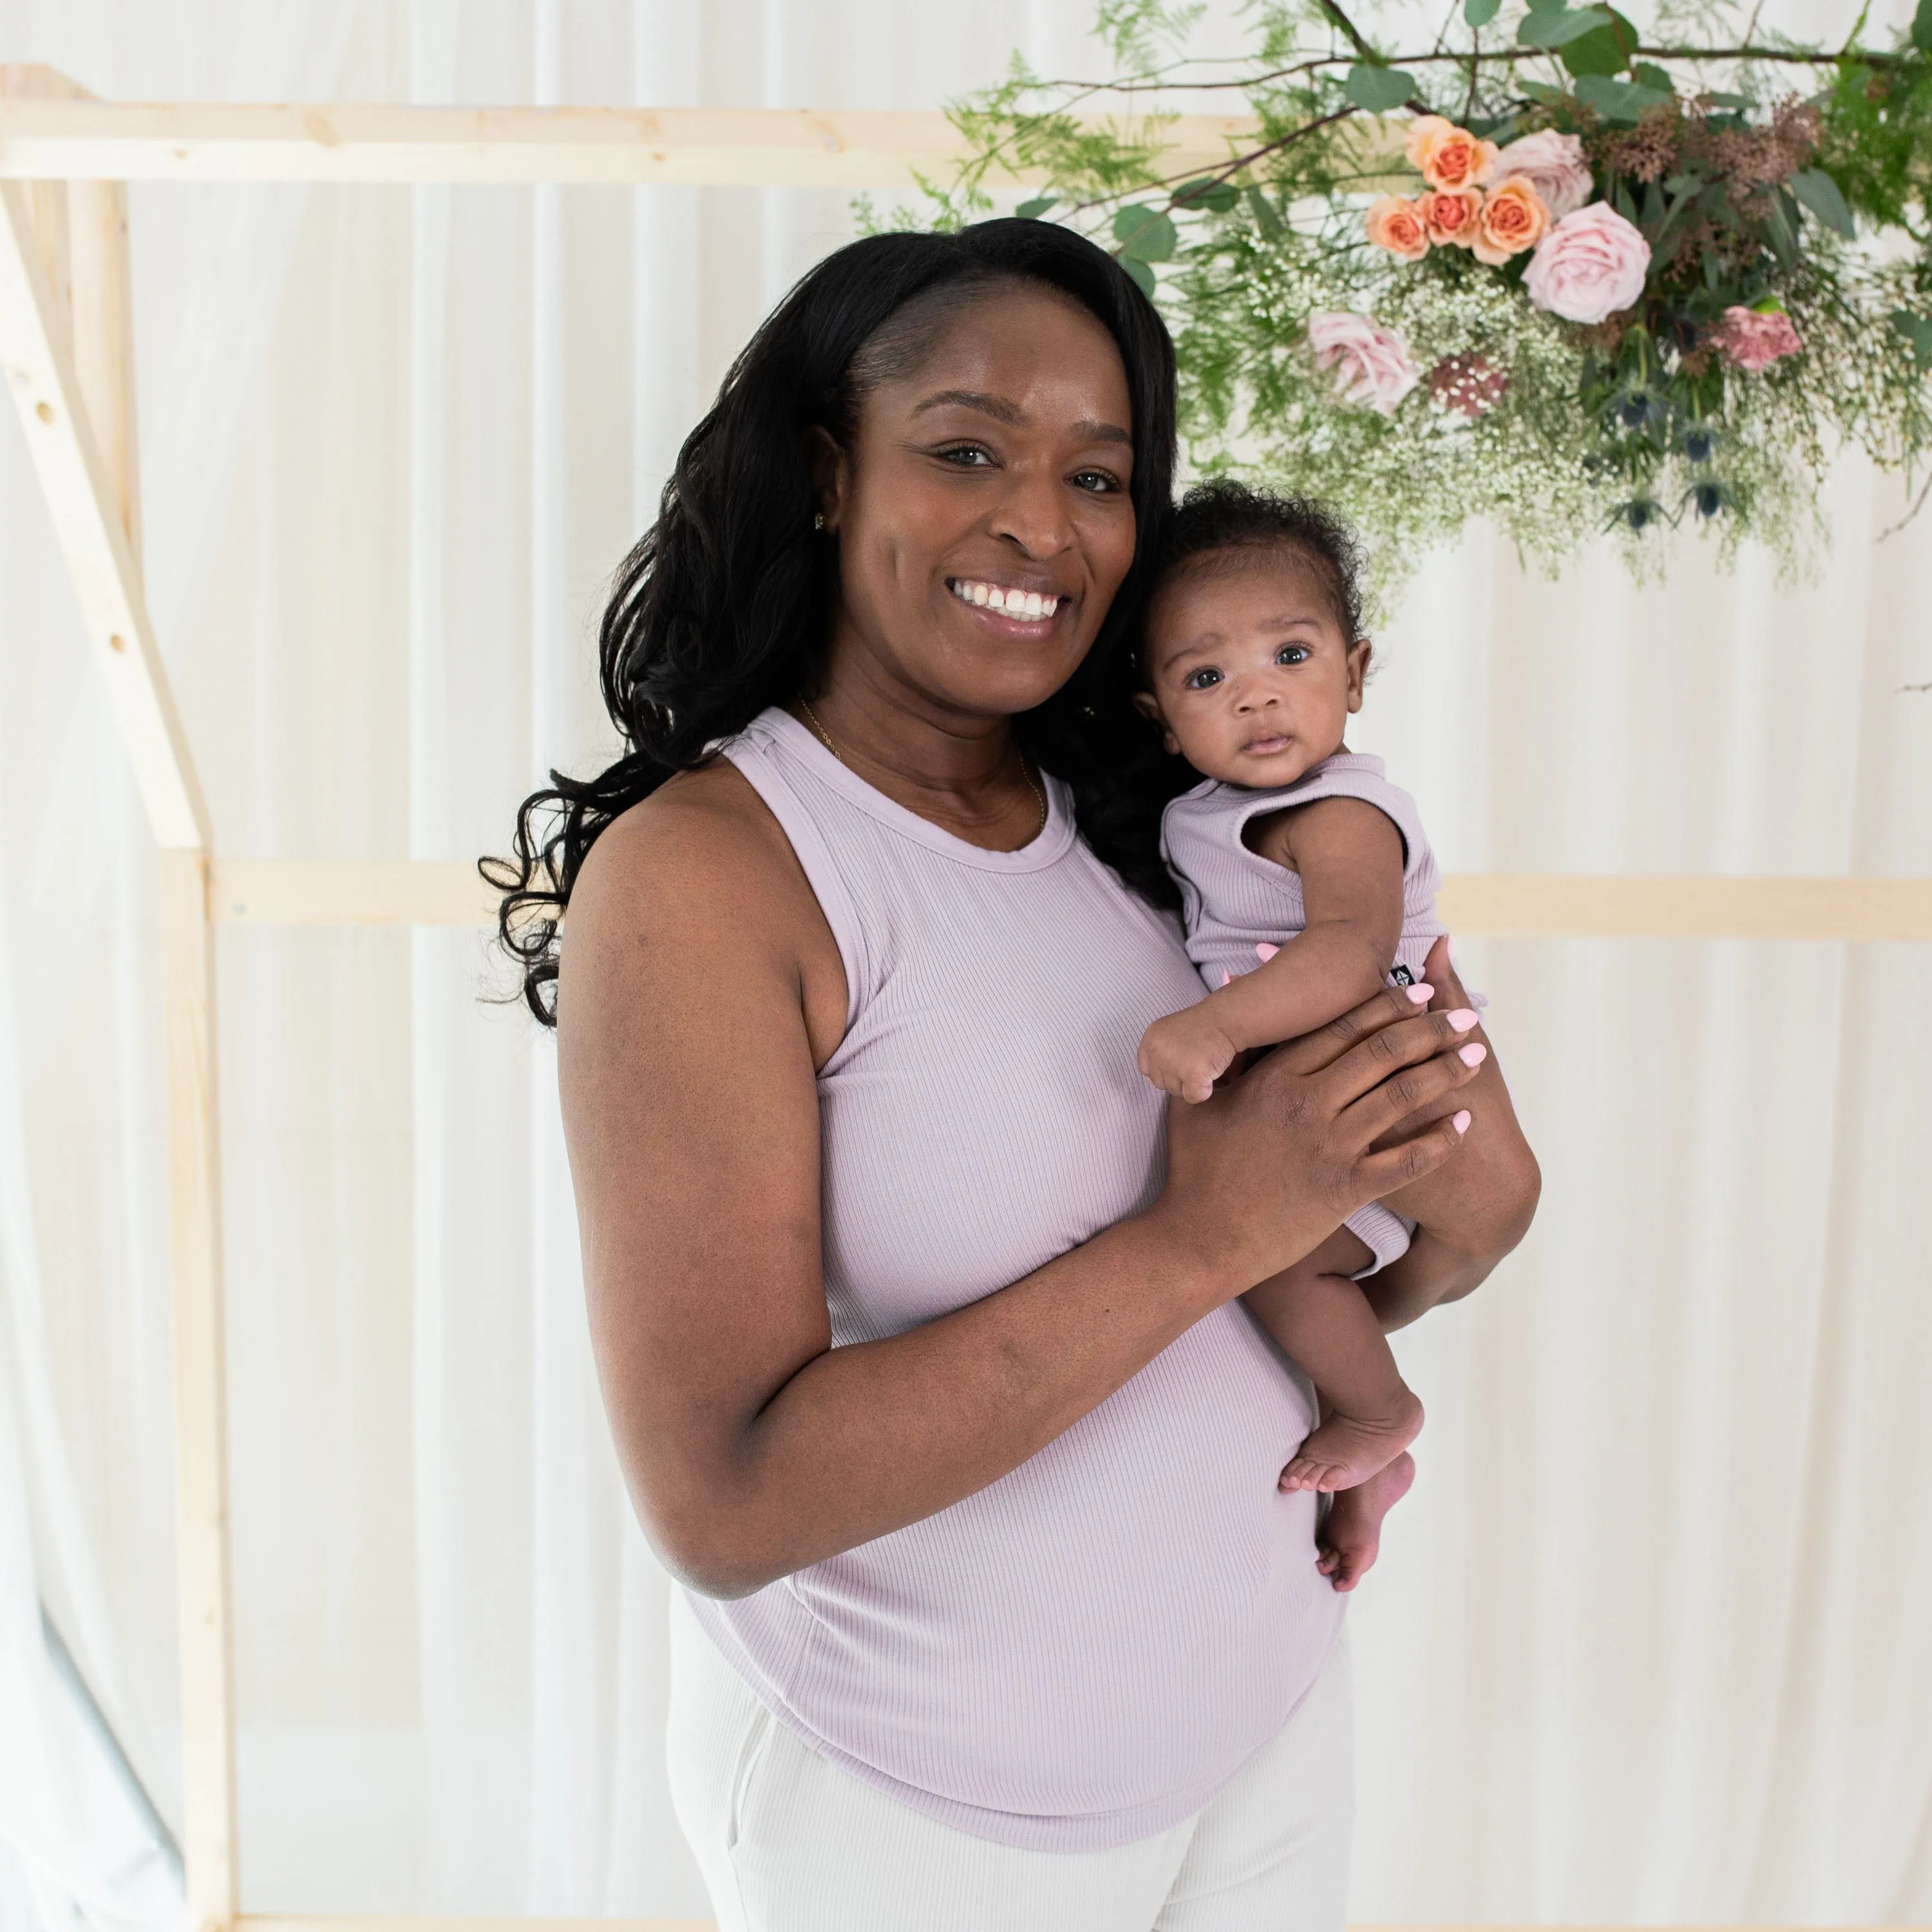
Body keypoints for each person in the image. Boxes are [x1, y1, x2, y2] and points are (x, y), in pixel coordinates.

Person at [488, 218, 1540, 1932]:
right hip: (928, 1814)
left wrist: (1402, 1232)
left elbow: (1391, 1193)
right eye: (967, 449)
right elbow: (724, 1497)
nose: (1040, 527)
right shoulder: (721, 876)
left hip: (1266, 1731)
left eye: (1101, 476)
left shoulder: (1165, 818)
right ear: (830, 473)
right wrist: (1216, 1236)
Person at [1133, 480, 1537, 1553]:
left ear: (1356, 672)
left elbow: (1348, 954)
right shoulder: (1214, 813)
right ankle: (1370, 1451)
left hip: (1388, 1092)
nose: (1257, 699)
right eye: (1208, 676)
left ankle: (1375, 1411)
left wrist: (1216, 1029)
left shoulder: (1340, 810)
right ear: (1158, 716)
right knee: (1282, 1274)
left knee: (1268, 1263)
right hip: (1339, 1104)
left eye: (1293, 657)